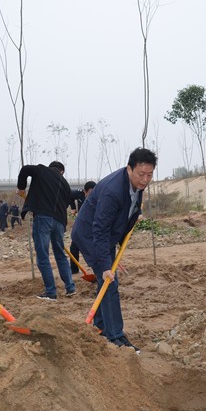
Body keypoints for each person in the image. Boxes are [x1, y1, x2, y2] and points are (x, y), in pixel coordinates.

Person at [71, 148, 157, 353]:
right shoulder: (113, 191)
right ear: (129, 169)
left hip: (104, 236)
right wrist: (104, 263)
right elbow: (99, 229)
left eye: (150, 175)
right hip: (90, 235)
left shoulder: (135, 185)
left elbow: (124, 214)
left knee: (106, 280)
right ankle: (115, 336)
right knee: (110, 282)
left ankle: (100, 326)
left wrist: (113, 252)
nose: (145, 179)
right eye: (141, 174)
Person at [17, 161, 76, 300]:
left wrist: (21, 187)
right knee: (60, 255)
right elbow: (66, 203)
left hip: (43, 218)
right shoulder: (65, 184)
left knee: (43, 255)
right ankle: (70, 287)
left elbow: (25, 169)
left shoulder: (42, 170)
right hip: (60, 222)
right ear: (61, 171)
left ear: (51, 168)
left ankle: (51, 292)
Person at [68, 180, 96, 275]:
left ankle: (97, 268)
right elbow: (69, 196)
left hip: (93, 225)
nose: (92, 194)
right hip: (81, 224)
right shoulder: (79, 194)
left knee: (92, 247)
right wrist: (73, 208)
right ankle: (74, 270)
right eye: (90, 192)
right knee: (74, 247)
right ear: (85, 191)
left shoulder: (98, 197)